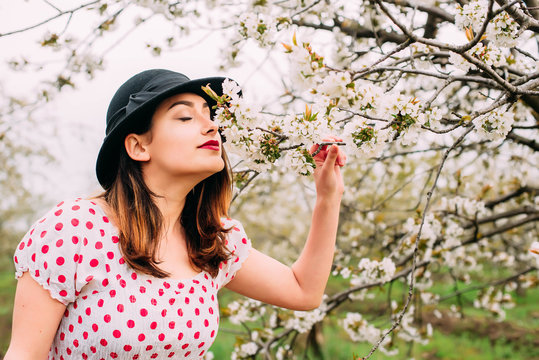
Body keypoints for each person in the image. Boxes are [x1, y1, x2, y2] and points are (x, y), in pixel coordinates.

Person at [5, 69, 346, 359]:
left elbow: (303, 292)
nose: (212, 127)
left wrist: (329, 197)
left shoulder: (212, 240)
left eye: (210, 116)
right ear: (139, 146)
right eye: (185, 117)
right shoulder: (74, 229)